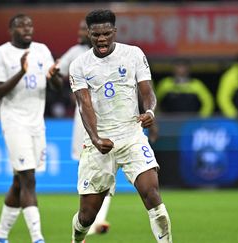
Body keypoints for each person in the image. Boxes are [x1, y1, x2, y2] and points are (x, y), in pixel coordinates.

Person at [69, 9, 173, 243]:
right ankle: (77, 238)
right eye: (96, 35)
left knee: (152, 194)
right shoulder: (79, 65)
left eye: (106, 33)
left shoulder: (133, 54)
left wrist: (149, 111)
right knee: (87, 216)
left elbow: (147, 92)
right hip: (100, 144)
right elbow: (84, 105)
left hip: (131, 137)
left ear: (115, 31)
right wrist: (95, 138)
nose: (101, 39)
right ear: (89, 34)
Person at [0, 14, 62, 243]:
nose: (27, 29)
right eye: (21, 26)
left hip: (36, 123)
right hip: (14, 122)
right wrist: (21, 71)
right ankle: (38, 238)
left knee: (19, 181)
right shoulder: (0, 53)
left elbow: (57, 88)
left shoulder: (42, 50)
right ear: (11, 30)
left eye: (29, 25)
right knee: (29, 179)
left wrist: (54, 77)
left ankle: (0, 237)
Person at [58, 19, 112, 235]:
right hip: (84, 117)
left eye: (84, 29)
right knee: (86, 163)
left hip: (109, 118)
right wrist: (72, 94)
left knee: (107, 167)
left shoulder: (111, 54)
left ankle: (99, 219)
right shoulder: (75, 54)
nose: (80, 33)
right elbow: (57, 73)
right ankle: (90, 217)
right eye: (80, 29)